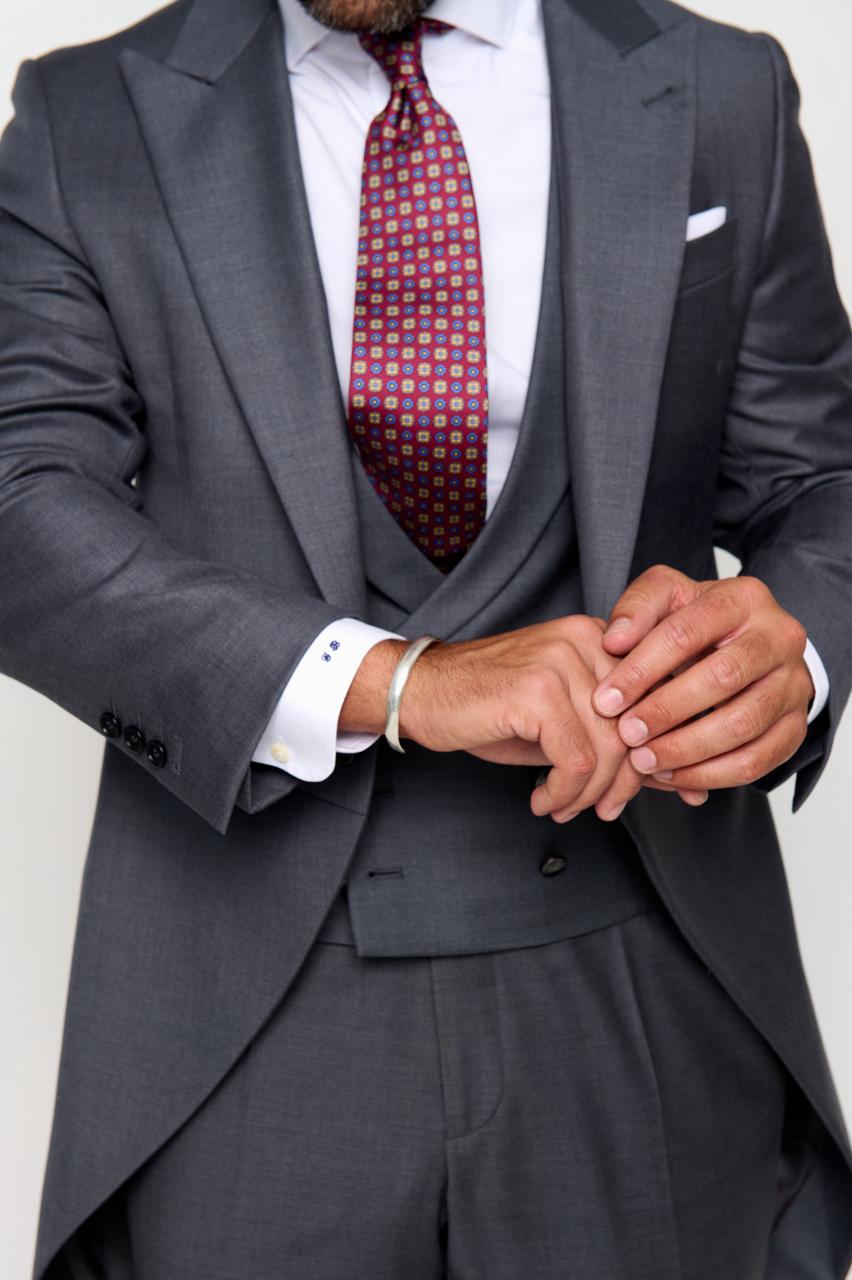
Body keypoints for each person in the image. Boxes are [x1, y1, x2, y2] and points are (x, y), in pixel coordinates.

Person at [1, 0, 851, 1274]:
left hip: (645, 969)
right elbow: (18, 504)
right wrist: (398, 681)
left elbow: (822, 478)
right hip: (241, 1006)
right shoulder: (89, 114)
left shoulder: (719, 87)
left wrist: (799, 649)